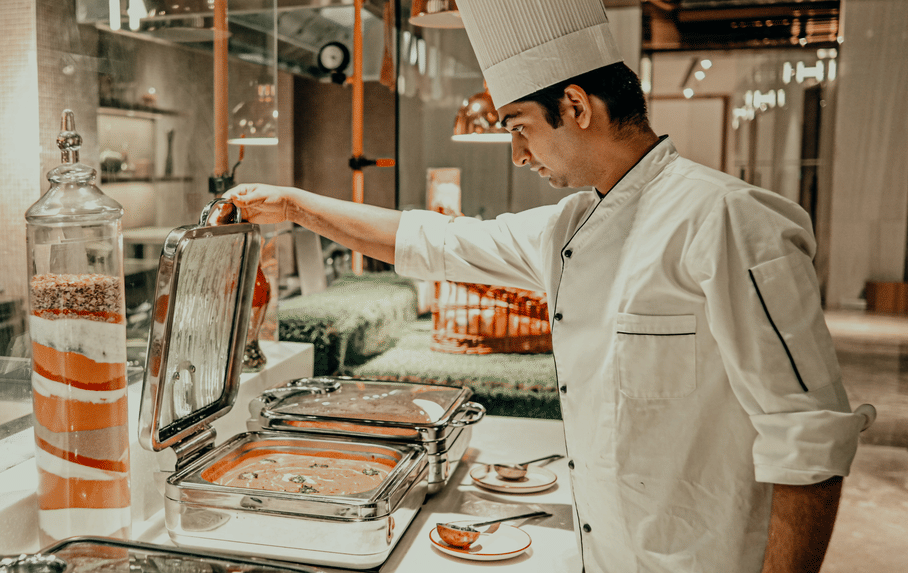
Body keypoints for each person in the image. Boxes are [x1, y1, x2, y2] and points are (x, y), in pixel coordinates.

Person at [227, 0, 870, 571]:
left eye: (518, 126)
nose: (517, 153)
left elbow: (809, 439)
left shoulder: (729, 218)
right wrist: (296, 205)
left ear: (576, 106)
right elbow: (431, 240)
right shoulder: (570, 224)